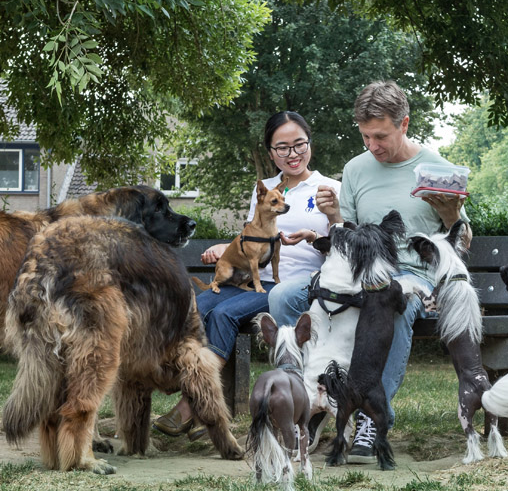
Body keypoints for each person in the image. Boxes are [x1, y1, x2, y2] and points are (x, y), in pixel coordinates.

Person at [267, 80, 471, 463]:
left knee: (396, 307)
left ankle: (370, 417)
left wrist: (449, 213)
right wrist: (334, 216)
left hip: (410, 275)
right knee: (282, 296)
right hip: (356, 271)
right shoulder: (356, 169)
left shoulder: (436, 169)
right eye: (365, 137)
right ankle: (308, 398)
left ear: (404, 124)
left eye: (380, 136)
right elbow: (348, 233)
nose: (372, 146)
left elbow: (462, 241)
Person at [152, 111, 341, 440]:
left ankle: (193, 405)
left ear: (310, 144)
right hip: (249, 280)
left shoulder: (328, 189)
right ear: (270, 152)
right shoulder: (266, 188)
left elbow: (343, 246)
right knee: (197, 306)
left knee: (224, 313)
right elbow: (253, 236)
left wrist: (325, 225)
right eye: (282, 148)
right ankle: (181, 384)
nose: (292, 154)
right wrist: (227, 247)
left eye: (299, 145)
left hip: (290, 286)